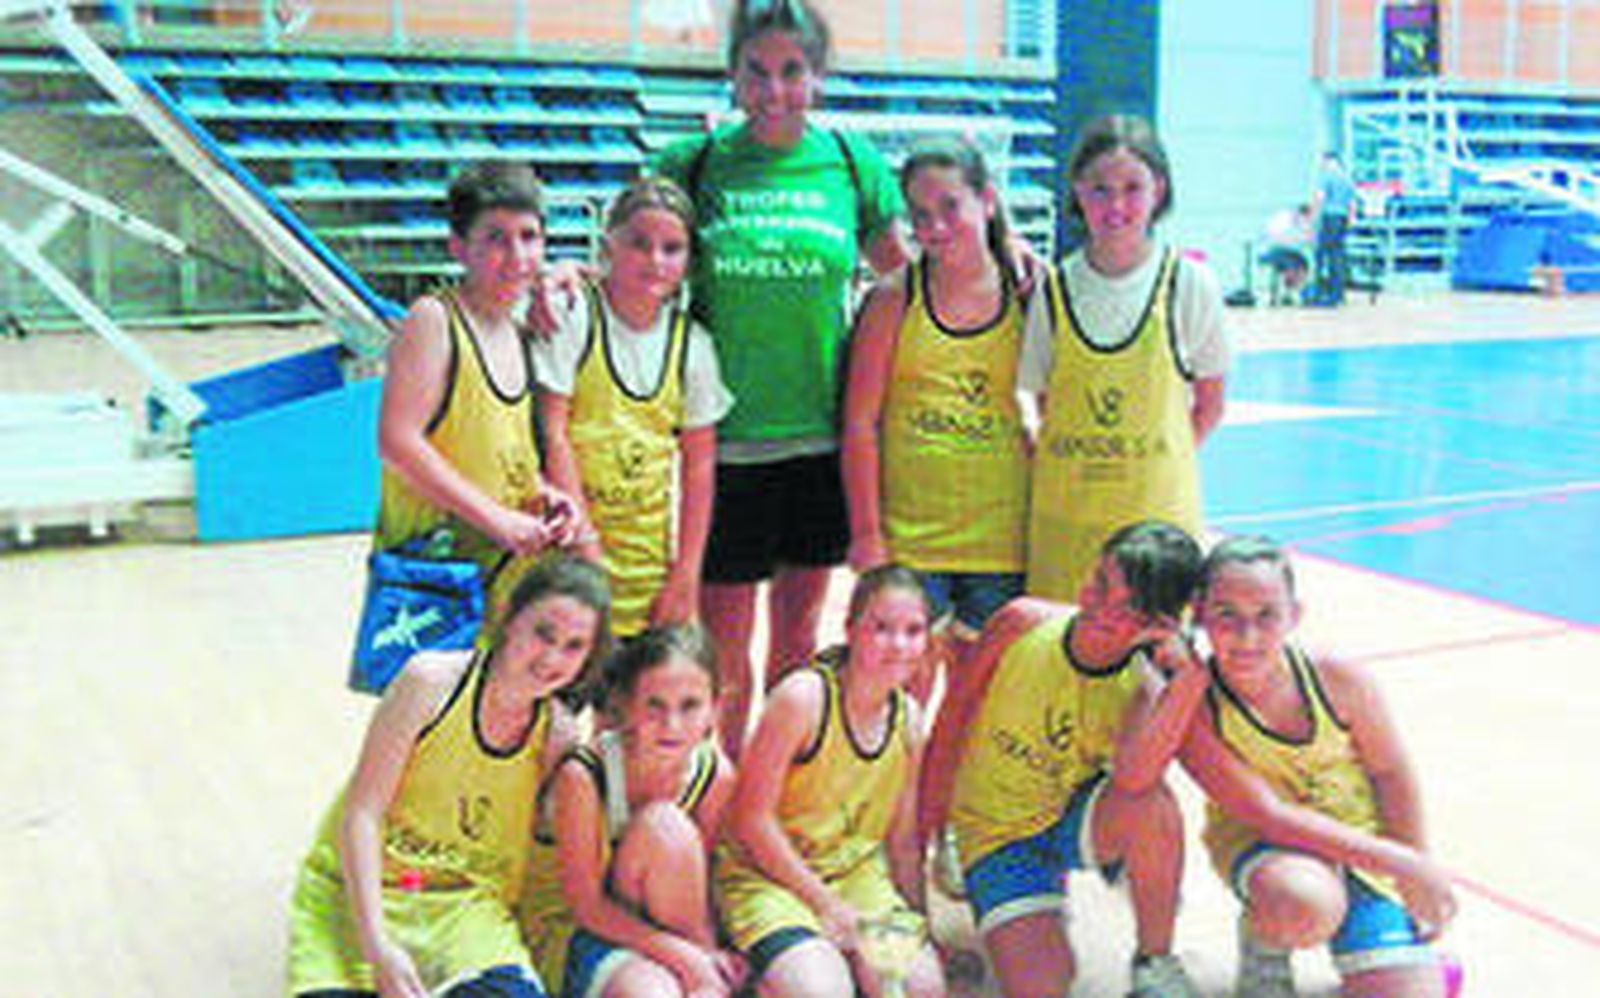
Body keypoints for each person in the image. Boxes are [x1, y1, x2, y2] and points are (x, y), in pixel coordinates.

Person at [651, 0, 911, 756]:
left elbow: (912, 279)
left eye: (792, 71)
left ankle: (770, 790)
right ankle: (717, 796)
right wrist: (566, 278)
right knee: (721, 651)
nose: (774, 89)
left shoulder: (851, 164)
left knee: (796, 642)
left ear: (818, 77)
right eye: (757, 71)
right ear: (732, 75)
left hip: (824, 442)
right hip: (724, 447)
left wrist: (1002, 252)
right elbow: (638, 259)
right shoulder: (694, 164)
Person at [287, 554, 613, 998]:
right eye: (544, 633)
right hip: (364, 890)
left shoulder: (558, 734)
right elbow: (362, 814)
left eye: (574, 646)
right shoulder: (428, 683)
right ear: (509, 617)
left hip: (465, 910)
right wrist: (377, 945)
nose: (552, 657)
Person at [923, 521, 1208, 998]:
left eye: (1128, 606)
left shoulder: (1146, 683)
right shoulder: (1021, 624)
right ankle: (1017, 888)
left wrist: (1188, 681)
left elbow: (1136, 779)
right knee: (1041, 985)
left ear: (1159, 621)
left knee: (1153, 804)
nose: (1100, 607)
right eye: (1099, 584)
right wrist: (929, 830)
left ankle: (1154, 962)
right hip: (995, 835)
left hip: (1066, 818)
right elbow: (950, 723)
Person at [1179, 536, 1457, 997]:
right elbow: (1270, 816)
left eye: (1266, 615)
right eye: (1227, 614)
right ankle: (1265, 943)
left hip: (1363, 842)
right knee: (1301, 902)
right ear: (1201, 613)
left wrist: (1413, 873)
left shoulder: (1338, 676)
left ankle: (1401, 965)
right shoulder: (1194, 702)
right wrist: (1405, 863)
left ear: (1295, 616)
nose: (1247, 637)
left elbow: (1390, 772)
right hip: (1269, 849)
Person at [842, 137, 1032, 694]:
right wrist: (867, 532)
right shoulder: (893, 299)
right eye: (920, 215)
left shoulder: (1028, 290)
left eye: (951, 206)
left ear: (988, 200)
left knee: (980, 705)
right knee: (903, 699)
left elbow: (1050, 410)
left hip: (1002, 536)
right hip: (912, 539)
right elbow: (859, 424)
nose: (937, 226)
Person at [1020, 114, 1230, 603]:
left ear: (1158, 189)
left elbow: (1211, 407)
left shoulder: (1190, 284)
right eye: (1099, 189)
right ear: (1076, 191)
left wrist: (1152, 460)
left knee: (1156, 672)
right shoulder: (1053, 289)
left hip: (1158, 531)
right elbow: (1044, 405)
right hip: (1068, 525)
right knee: (1062, 665)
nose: (1116, 204)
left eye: (1132, 187)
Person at [715, 565, 945, 997]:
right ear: (851, 629)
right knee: (822, 990)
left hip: (856, 879)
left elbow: (902, 841)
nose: (898, 645)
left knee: (921, 986)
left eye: (913, 631)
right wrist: (825, 906)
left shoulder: (909, 719)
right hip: (770, 876)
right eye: (881, 628)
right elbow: (751, 820)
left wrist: (920, 925)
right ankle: (764, 976)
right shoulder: (803, 698)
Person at [375, 161, 583, 618]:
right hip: (436, 576)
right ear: (458, 247)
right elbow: (397, 441)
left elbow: (496, 448)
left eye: (529, 237)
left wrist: (543, 493)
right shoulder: (434, 320)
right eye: (495, 238)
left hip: (504, 571)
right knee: (435, 689)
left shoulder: (515, 328)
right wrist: (497, 519)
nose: (517, 256)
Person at [532, 177, 733, 640]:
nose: (656, 260)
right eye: (640, 244)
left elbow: (699, 468)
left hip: (646, 568)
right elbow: (553, 433)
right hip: (565, 550)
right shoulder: (573, 314)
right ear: (609, 244)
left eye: (672, 248)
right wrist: (584, 543)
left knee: (632, 707)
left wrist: (685, 575)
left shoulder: (693, 346)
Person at [519, 624, 743, 997]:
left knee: (668, 829)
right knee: (652, 992)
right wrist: (686, 957)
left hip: (659, 921)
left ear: (716, 707)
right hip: (577, 926)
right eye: (654, 706)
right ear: (625, 707)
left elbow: (696, 883)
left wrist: (711, 953)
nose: (671, 725)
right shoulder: (585, 775)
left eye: (690, 706)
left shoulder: (714, 775)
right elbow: (586, 905)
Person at [1310, 151, 1358, 306]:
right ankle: (1339, 293)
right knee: (1338, 256)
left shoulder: (1326, 177)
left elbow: (1320, 197)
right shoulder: (1346, 179)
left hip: (1330, 218)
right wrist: (1350, 221)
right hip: (1342, 219)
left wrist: (1314, 217)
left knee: (1323, 256)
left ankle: (1325, 293)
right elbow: (1352, 204)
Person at [1259, 203, 1314, 306]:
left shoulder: (1299, 221)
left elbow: (1307, 235)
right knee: (1292, 266)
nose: (1307, 221)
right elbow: (1275, 237)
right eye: (1307, 218)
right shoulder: (1283, 219)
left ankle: (1292, 292)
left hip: (1287, 251)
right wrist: (1298, 238)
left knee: (1304, 264)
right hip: (1273, 250)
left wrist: (1306, 236)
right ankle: (1287, 293)